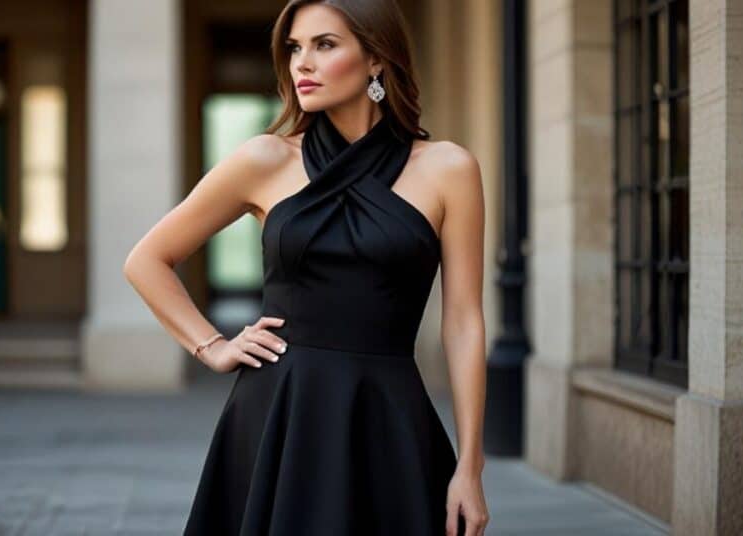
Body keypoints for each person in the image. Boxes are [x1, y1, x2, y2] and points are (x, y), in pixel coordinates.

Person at [123, 0, 488, 534]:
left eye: (325, 45)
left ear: (376, 61)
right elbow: (147, 260)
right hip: (277, 415)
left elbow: (463, 322)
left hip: (385, 417)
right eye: (295, 48)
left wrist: (470, 466)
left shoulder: (448, 169)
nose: (302, 64)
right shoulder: (264, 160)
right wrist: (213, 345)